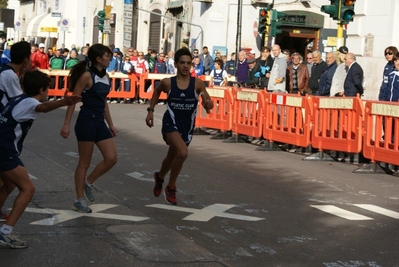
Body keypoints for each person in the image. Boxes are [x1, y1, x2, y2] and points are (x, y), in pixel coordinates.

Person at [0, 70, 81, 249]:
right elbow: (42, 108)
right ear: (42, 89)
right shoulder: (30, 102)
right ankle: (5, 233)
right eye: (47, 90)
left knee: (10, 183)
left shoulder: (17, 99)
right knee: (28, 189)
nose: (48, 94)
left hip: (3, 149)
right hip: (4, 151)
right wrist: (64, 101)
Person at [145, 47, 214, 205]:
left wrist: (209, 105)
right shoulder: (168, 83)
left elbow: (207, 104)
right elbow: (157, 92)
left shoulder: (197, 84)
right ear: (175, 64)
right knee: (182, 153)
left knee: (171, 157)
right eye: (182, 62)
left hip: (187, 126)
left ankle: (160, 177)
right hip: (170, 122)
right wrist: (150, 111)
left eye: (188, 63)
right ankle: (171, 186)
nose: (185, 66)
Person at [60, 44, 118, 213]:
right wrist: (66, 124)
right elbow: (73, 99)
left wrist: (111, 124)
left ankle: (88, 182)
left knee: (112, 158)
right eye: (107, 56)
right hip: (86, 121)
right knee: (84, 162)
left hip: (100, 122)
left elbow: (104, 102)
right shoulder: (87, 75)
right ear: (98, 59)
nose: (110, 58)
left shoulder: (106, 75)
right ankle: (79, 200)